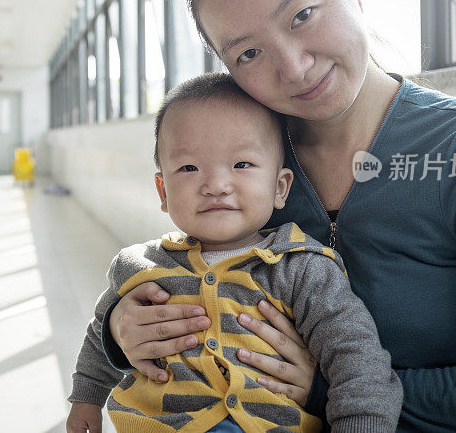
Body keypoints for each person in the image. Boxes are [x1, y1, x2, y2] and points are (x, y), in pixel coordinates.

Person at [102, 0, 456, 432]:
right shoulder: (251, 160)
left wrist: (332, 392)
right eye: (249, 54)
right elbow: (200, 276)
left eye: (303, 14)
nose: (295, 67)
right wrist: (123, 332)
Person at [67, 73, 402, 432]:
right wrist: (87, 396)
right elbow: (99, 331)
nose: (216, 185)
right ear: (163, 192)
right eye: (189, 168)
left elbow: (359, 362)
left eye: (241, 164)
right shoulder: (138, 266)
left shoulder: (302, 269)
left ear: (279, 187)